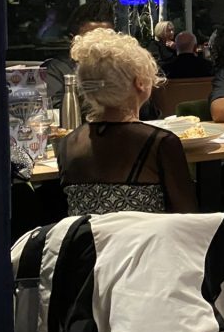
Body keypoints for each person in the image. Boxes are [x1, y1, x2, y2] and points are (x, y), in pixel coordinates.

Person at [57, 28, 198, 217]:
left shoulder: (68, 144)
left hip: (89, 237)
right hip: (149, 237)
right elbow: (187, 215)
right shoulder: (160, 142)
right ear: (140, 83)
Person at [42, 0, 117, 110]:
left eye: (106, 37)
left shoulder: (122, 68)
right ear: (74, 39)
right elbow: (56, 108)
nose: (99, 43)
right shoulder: (58, 69)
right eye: (91, 38)